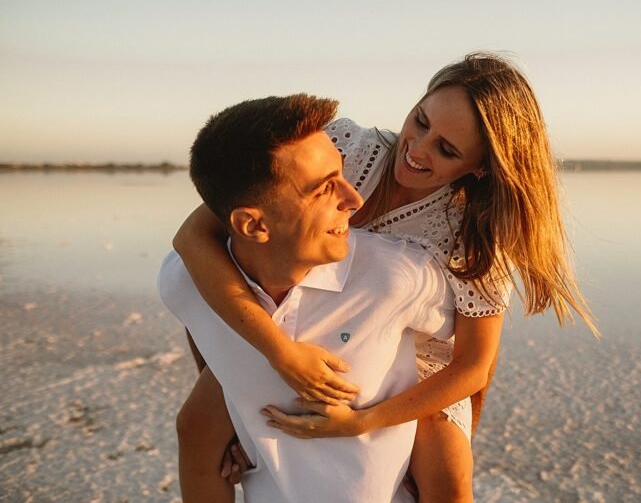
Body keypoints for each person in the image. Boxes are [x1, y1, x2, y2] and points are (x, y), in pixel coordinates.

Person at [172, 52, 598, 502]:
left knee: (449, 484)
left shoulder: (476, 234)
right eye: (421, 121)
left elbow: (473, 366)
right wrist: (261, 369)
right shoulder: (345, 150)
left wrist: (366, 422)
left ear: (482, 167)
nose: (416, 149)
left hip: (415, 365)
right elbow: (195, 239)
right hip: (301, 327)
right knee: (196, 429)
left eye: (446, 149)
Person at [160, 93, 457, 502]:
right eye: (323, 189)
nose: (355, 200)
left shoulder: (404, 274)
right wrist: (234, 402)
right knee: (195, 428)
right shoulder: (187, 278)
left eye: (448, 148)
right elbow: (201, 311)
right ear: (252, 225)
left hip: (407, 412)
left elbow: (474, 357)